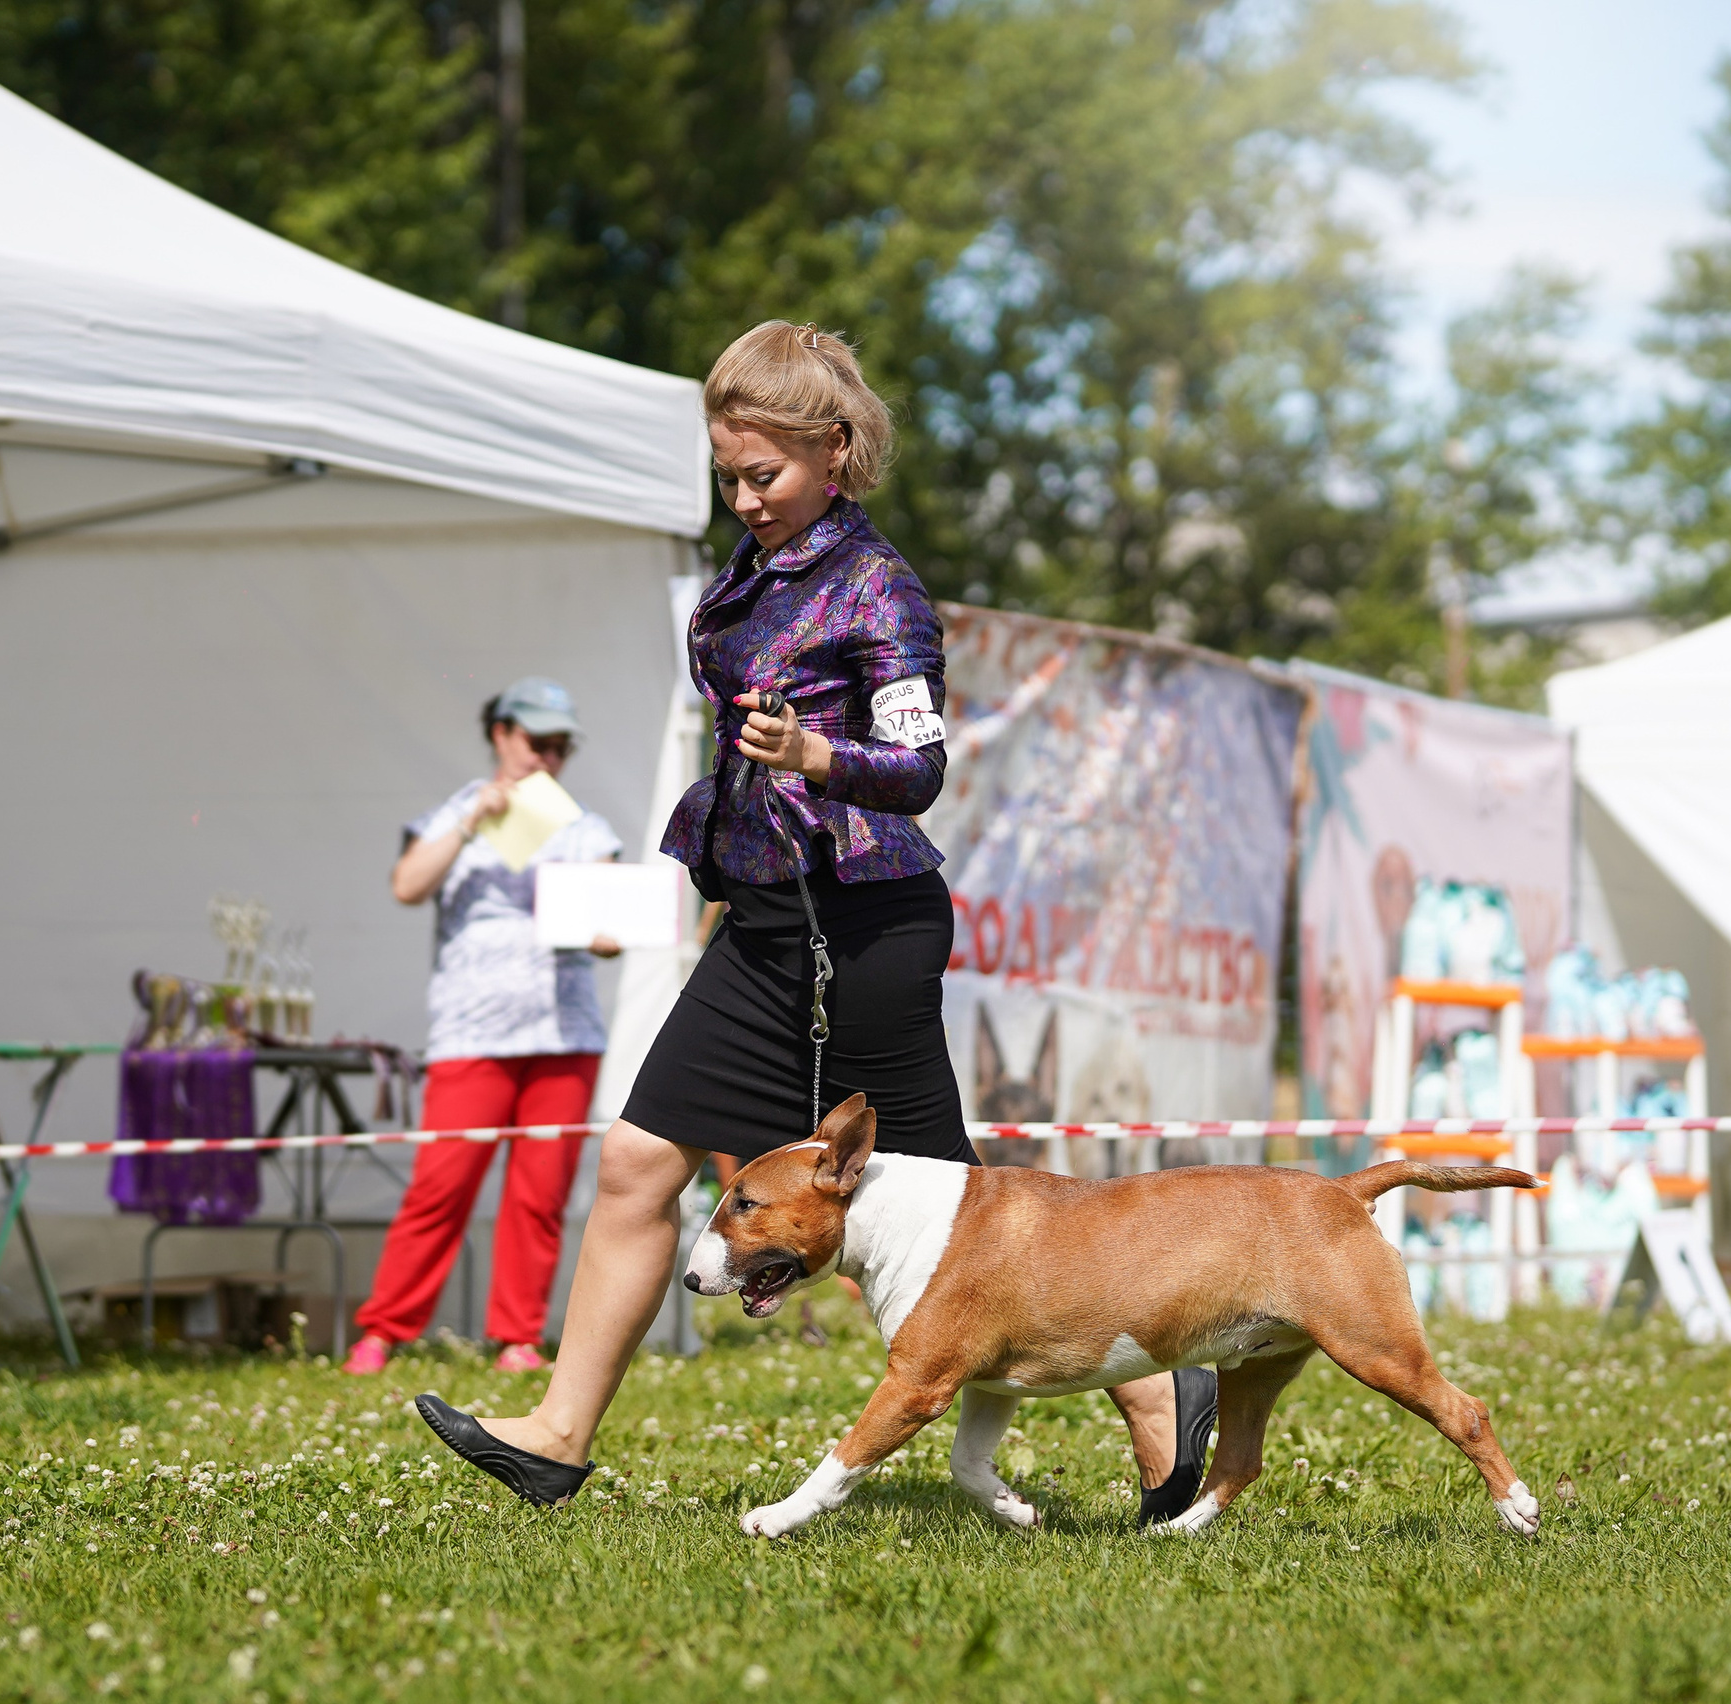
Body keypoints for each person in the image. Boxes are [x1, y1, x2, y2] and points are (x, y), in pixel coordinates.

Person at [412, 322, 1215, 1522]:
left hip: (869, 933)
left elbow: (919, 766)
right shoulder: (745, 574)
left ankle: (1163, 1398)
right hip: (769, 927)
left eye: (764, 475)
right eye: (727, 475)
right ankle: (557, 1434)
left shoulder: (879, 586)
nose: (742, 498)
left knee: (951, 1214)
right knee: (638, 1157)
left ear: (832, 451)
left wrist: (815, 752)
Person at [343, 679, 625, 1377]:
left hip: (563, 1033)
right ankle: (382, 1332)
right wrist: (473, 818)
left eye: (561, 746)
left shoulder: (587, 826)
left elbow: (611, 926)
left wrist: (605, 932)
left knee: (539, 1195)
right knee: (441, 1184)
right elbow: (408, 885)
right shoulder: (454, 810)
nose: (549, 758)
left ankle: (519, 1339)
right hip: (471, 1030)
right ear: (501, 734)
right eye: (537, 741)